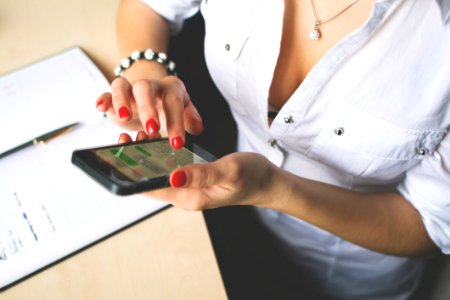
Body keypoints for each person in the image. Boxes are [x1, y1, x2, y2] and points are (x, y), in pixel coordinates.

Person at [96, 0, 450, 299]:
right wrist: (147, 75)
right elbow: (148, 7)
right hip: (223, 233)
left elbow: (428, 224)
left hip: (348, 282)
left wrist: (272, 188)